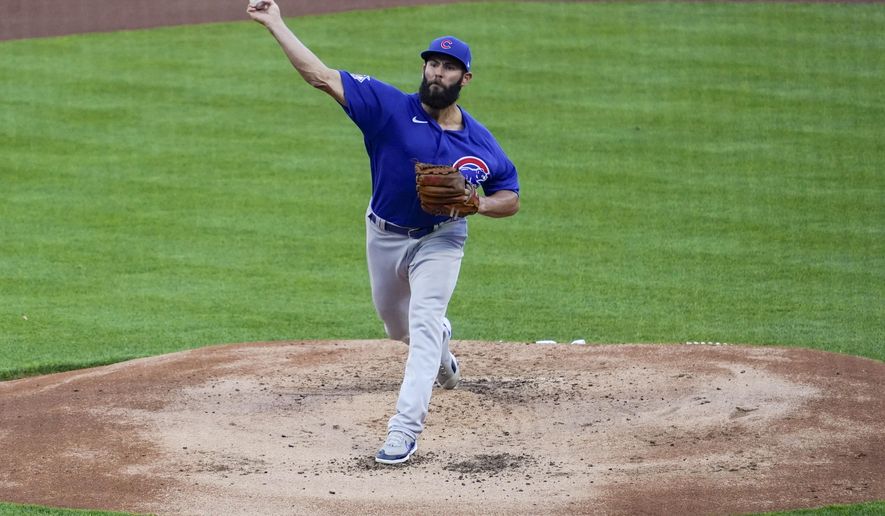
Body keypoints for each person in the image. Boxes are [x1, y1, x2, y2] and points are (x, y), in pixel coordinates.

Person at [248, 1, 520, 464]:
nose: (437, 73)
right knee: (398, 326)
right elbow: (320, 75)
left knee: (423, 318)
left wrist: (478, 203)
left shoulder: (480, 142)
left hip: (443, 237)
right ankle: (440, 342)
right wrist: (276, 23)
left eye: (449, 68)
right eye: (433, 63)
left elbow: (510, 196)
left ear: (465, 79)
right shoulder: (388, 107)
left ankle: (403, 431)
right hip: (384, 234)